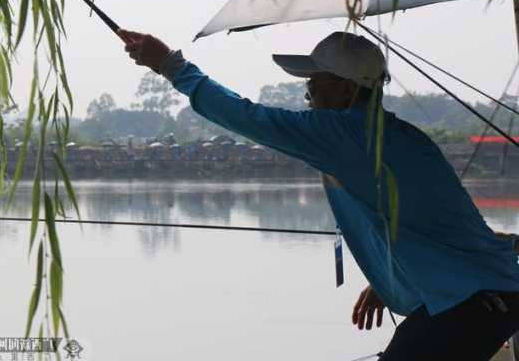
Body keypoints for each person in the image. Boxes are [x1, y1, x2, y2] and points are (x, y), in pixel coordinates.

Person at [117, 28, 519, 360]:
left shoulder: (341, 133)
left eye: (315, 85)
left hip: (472, 300)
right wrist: (391, 276)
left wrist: (171, 66)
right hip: (485, 294)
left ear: (345, 90)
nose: (307, 94)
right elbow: (436, 224)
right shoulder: (402, 137)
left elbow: (246, 116)